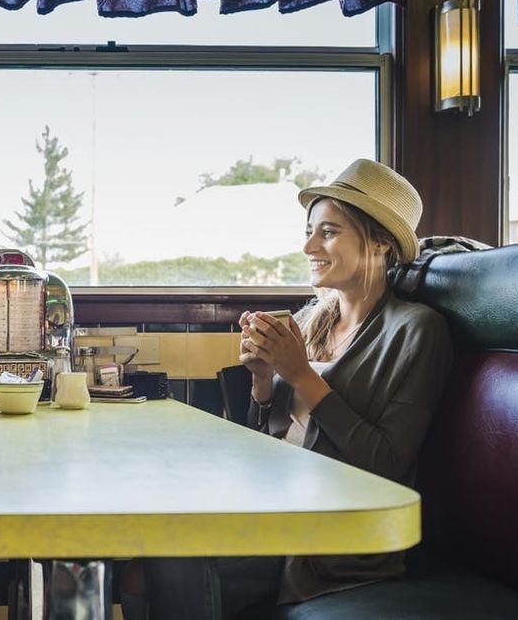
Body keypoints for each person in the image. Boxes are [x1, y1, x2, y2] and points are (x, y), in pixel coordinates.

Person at [140, 159, 453, 619]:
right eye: (310, 230)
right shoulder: (309, 320)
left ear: (381, 241)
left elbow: (385, 465)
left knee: (174, 557)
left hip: (335, 534)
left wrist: (302, 374)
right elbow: (268, 447)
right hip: (277, 505)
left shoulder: (417, 331)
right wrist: (264, 379)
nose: (309, 245)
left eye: (328, 232)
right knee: (139, 555)